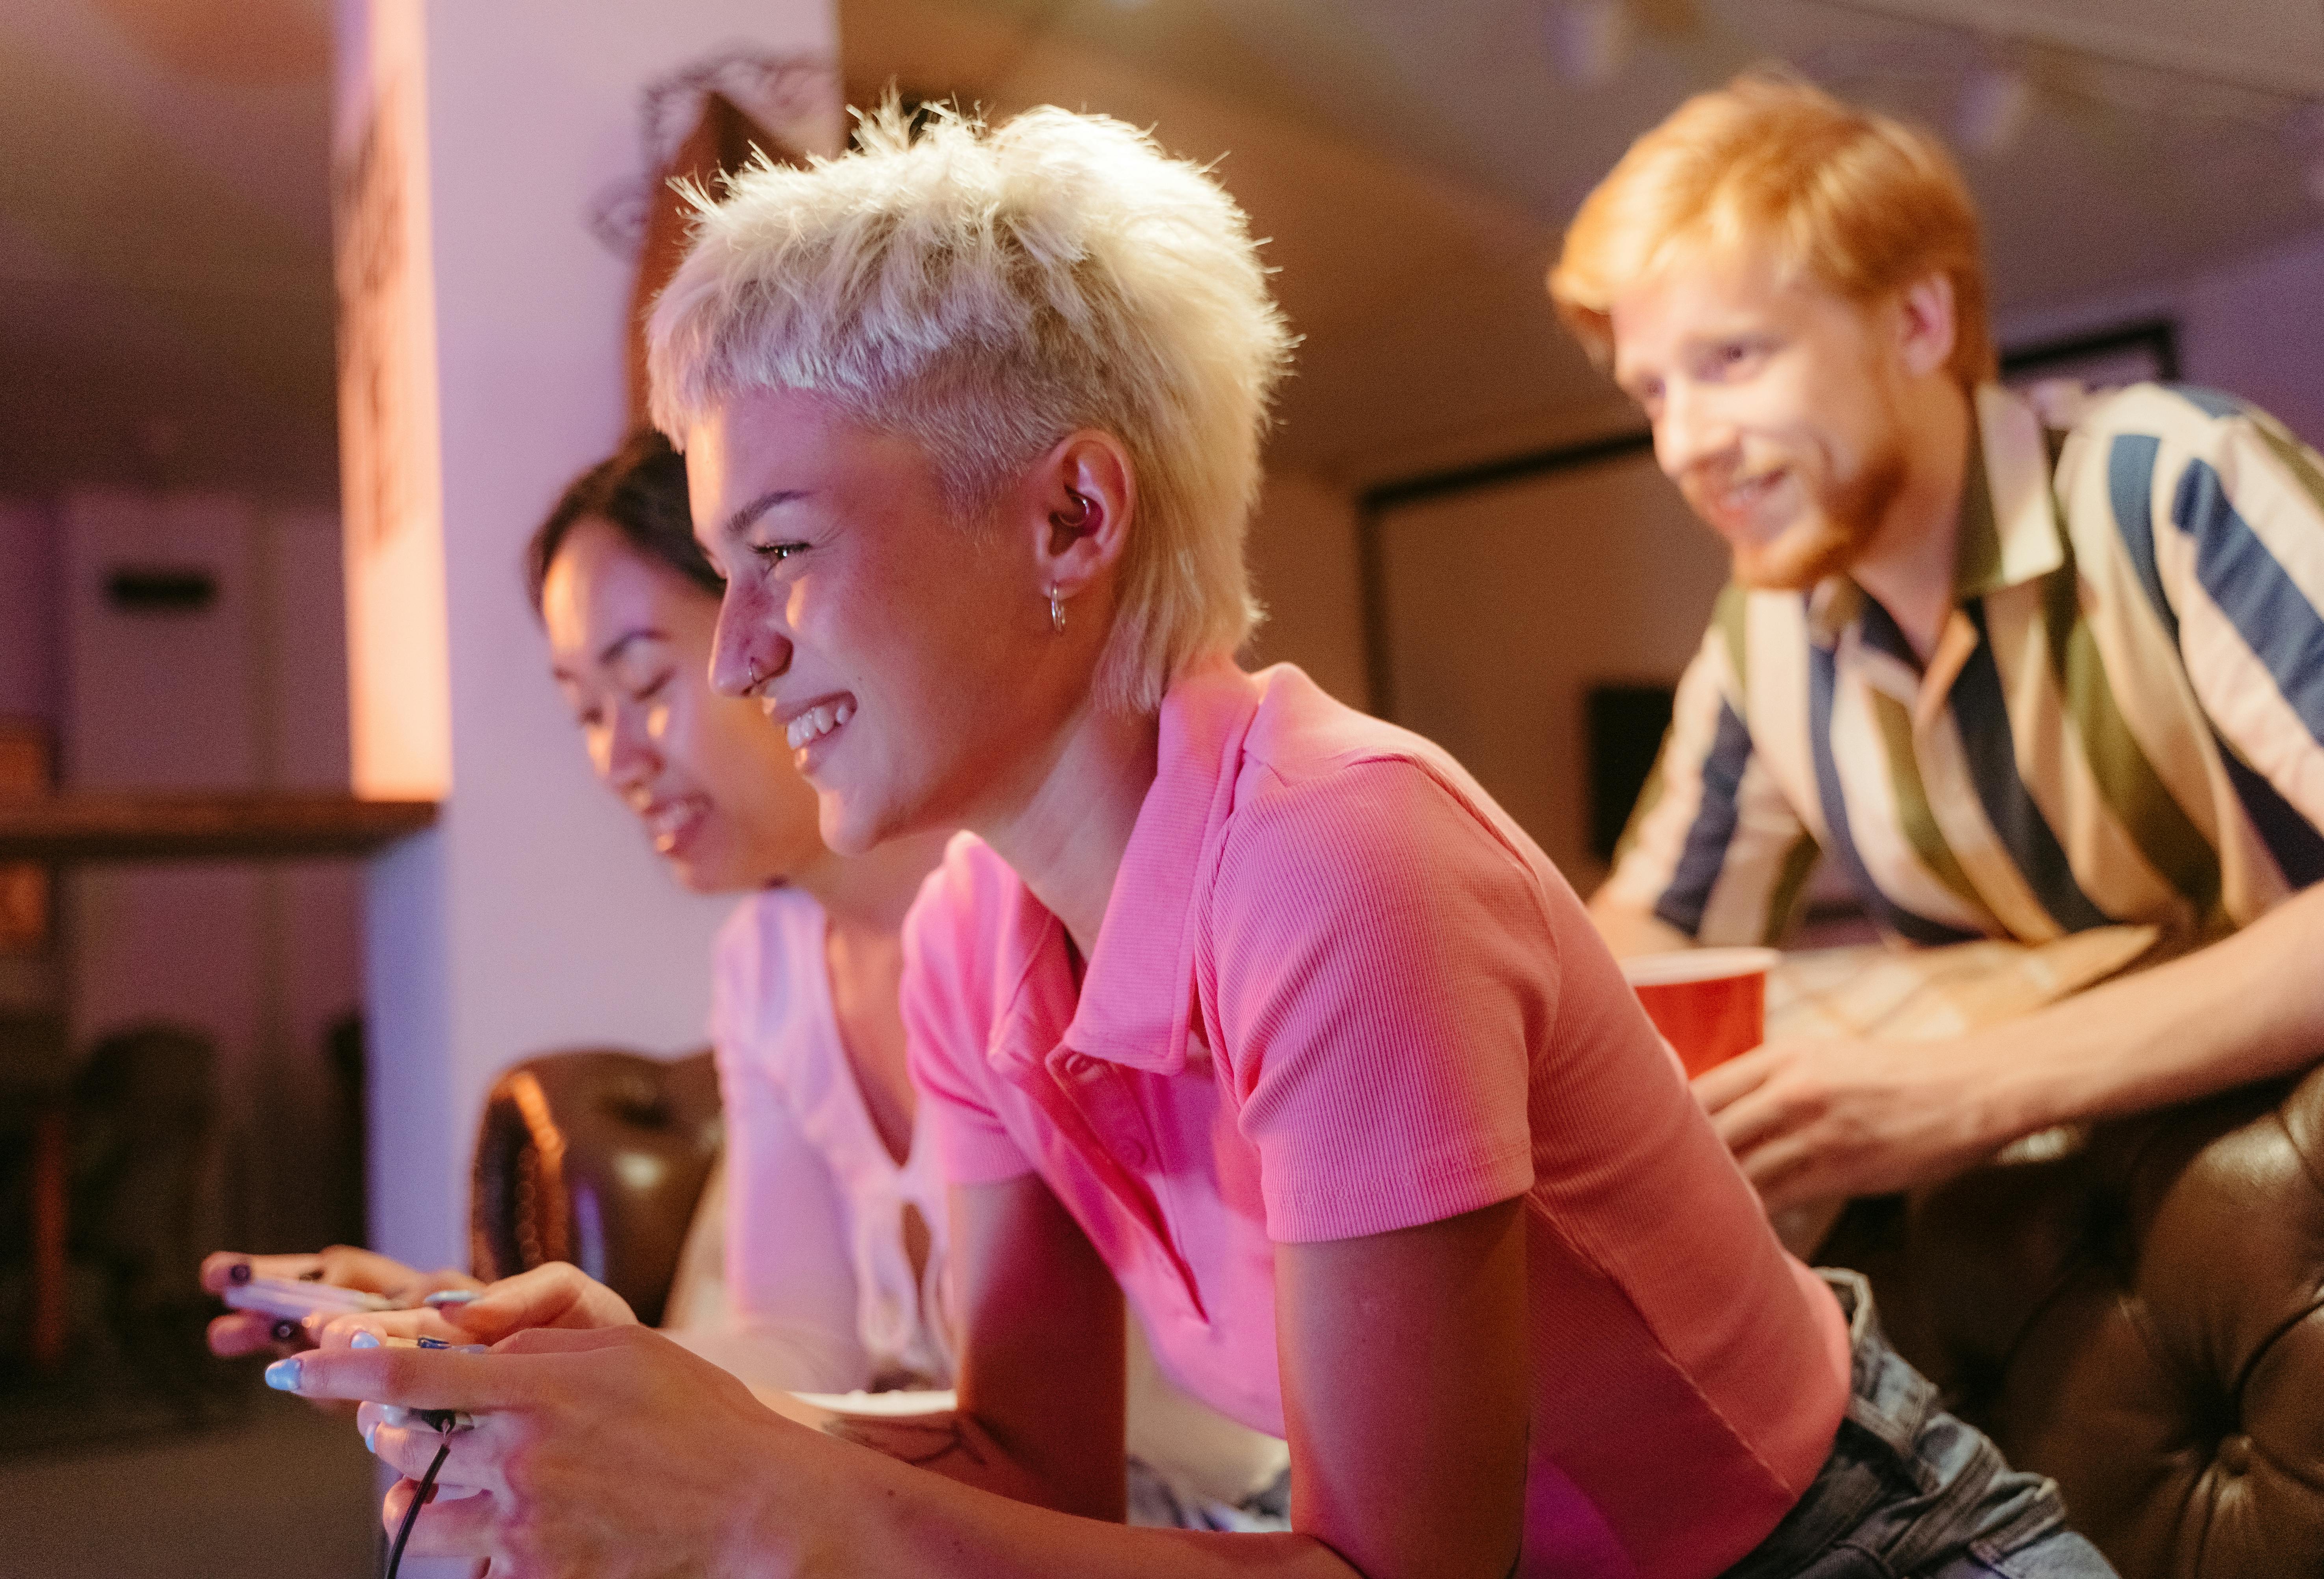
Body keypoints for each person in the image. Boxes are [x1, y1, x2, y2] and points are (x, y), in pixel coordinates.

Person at [291, 103, 2114, 1579]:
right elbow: (1028, 1461)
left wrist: (764, 1500)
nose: (741, 655)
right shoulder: (975, 932)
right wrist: (646, 1411)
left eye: (780, 552)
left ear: (1072, 518)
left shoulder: (1340, 860)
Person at [209, 430, 1284, 1523]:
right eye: (587, 711)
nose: (616, 760)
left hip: (1204, 1507)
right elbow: (797, 1346)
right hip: (983, 1496)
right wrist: (498, 1343)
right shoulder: (769, 968)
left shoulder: (1048, 906)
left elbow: (1040, 1447)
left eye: (644, 683)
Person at [1555, 75, 2324, 1215]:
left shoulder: (2167, 482)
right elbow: (1655, 939)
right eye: (1654, 392)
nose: (1681, 446)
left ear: (1920, 324)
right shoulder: (1764, 633)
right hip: (2100, 1236)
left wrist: (1962, 1091)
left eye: (1733, 360)